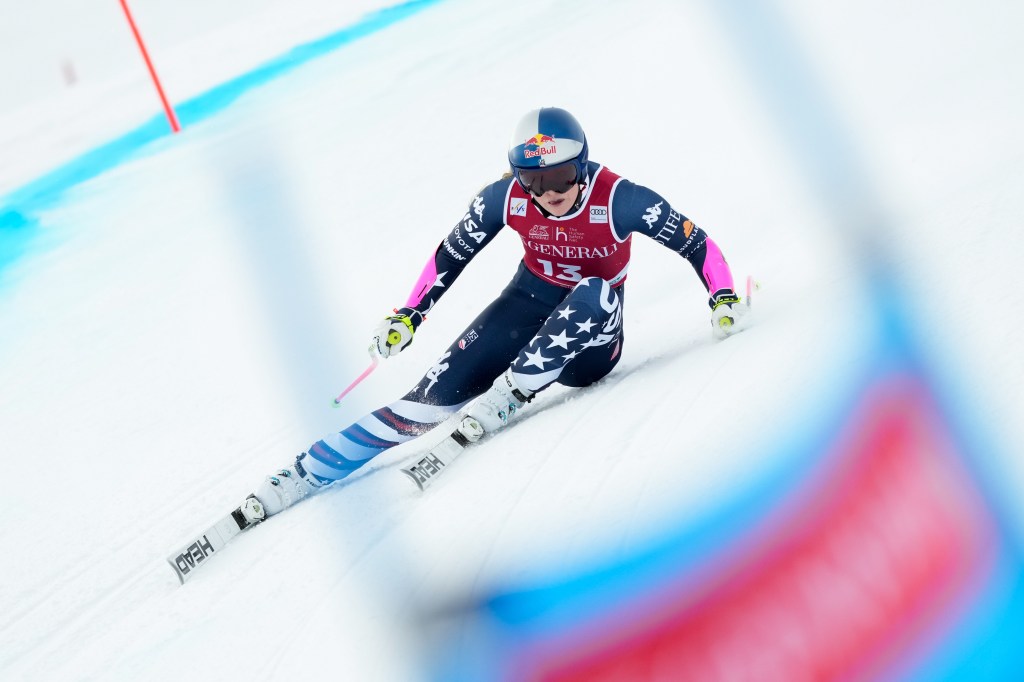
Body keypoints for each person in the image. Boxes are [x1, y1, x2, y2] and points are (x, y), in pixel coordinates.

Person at [239, 107, 748, 523]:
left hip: (593, 343)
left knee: (593, 291)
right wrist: (409, 315)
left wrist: (722, 296)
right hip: (526, 304)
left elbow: (696, 244)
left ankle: (509, 394)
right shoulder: (503, 199)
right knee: (427, 398)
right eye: (534, 179)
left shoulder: (619, 198)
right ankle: (307, 470)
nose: (550, 192)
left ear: (584, 164)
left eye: (562, 175)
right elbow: (450, 254)